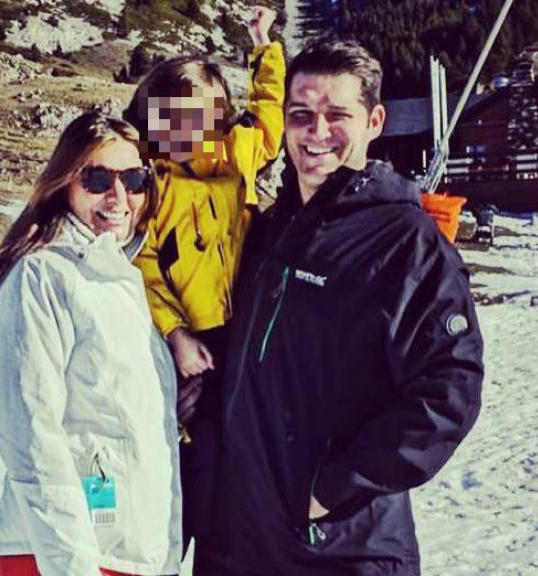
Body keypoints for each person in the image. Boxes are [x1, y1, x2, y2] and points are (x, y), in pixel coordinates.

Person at [194, 41, 484, 576]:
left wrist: (336, 486)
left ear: (374, 121)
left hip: (341, 548)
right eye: (301, 114)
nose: (317, 131)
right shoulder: (268, 230)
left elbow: (450, 387)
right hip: (240, 544)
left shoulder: (406, 241)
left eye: (337, 115)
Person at [0, 112, 182, 576]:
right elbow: (30, 435)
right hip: (67, 552)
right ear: (65, 181)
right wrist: (72, 566)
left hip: (123, 548)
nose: (119, 197)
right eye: (98, 179)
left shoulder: (117, 276)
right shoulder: (40, 274)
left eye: (134, 180)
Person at [123, 5, 284, 552]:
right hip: (193, 343)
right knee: (193, 462)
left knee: (241, 474)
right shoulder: (152, 180)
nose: (187, 129)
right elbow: (142, 264)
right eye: (172, 116)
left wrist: (264, 46)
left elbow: (269, 117)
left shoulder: (236, 152)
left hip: (245, 336)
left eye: (203, 116)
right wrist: (174, 333)